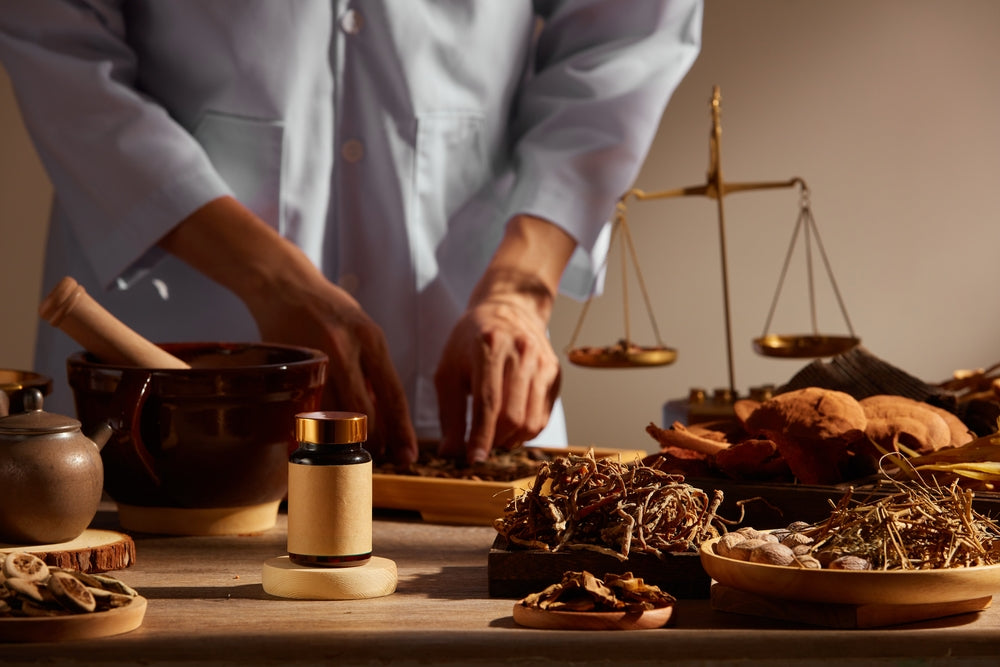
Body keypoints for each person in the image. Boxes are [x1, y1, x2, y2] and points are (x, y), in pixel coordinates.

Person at [0, 1, 702, 465]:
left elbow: (632, 29)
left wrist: (521, 289)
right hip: (172, 363)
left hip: (466, 361)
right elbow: (53, 37)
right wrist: (266, 275)